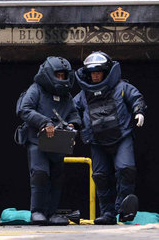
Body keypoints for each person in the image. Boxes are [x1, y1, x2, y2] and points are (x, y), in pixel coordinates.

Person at [73, 51, 146, 225]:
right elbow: (72, 111)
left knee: (126, 169)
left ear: (106, 72)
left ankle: (124, 209)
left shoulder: (121, 87)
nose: (95, 75)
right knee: (100, 176)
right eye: (92, 73)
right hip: (97, 141)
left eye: (99, 72)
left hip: (122, 137)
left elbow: (136, 98)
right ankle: (107, 213)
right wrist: (71, 127)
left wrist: (139, 111)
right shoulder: (83, 94)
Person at [18, 56, 82, 225]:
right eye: (58, 75)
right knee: (40, 175)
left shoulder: (66, 96)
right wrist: (44, 122)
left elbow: (75, 114)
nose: (61, 79)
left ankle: (52, 212)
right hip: (37, 141)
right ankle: (37, 211)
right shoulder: (36, 89)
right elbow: (25, 109)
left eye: (63, 75)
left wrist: (73, 123)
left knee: (56, 177)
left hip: (58, 143)